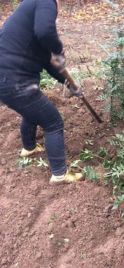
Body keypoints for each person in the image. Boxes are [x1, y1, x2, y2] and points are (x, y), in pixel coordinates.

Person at [0, 0, 83, 184]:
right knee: (53, 122)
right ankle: (59, 174)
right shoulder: (45, 0)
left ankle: (29, 148)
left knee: (33, 110)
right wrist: (59, 49)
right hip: (15, 81)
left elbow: (49, 63)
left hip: (7, 80)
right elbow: (45, 31)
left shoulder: (29, 20)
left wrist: (70, 85)